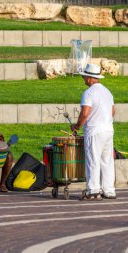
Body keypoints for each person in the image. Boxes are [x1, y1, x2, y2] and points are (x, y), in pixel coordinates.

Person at [71, 63, 116, 200]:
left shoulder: (88, 93)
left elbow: (85, 113)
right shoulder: (107, 92)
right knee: (107, 160)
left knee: (92, 159)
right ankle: (109, 190)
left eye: (85, 77)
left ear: (90, 78)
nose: (84, 79)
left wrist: (77, 126)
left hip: (94, 131)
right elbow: (112, 112)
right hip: (108, 129)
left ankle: (93, 189)